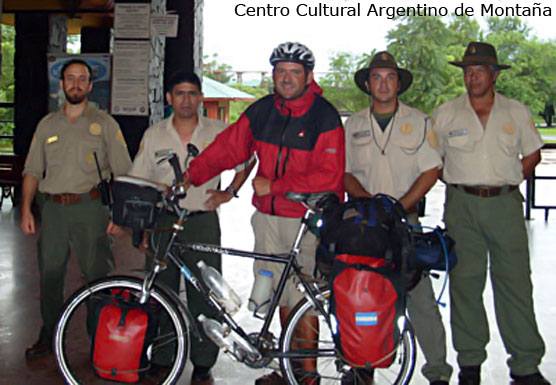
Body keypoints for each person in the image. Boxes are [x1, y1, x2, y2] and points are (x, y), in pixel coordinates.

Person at [186, 42, 345, 385]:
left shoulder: (324, 115)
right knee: (279, 295)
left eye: (294, 72)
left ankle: (310, 374)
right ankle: (291, 365)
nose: (286, 78)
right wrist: (192, 174)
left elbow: (329, 176)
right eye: (280, 71)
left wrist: (274, 186)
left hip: (304, 219)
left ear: (309, 77)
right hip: (267, 221)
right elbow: (228, 148)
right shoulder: (261, 111)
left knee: (304, 297)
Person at [432, 42, 551, 385]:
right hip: (462, 206)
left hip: (505, 205)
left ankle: (525, 365)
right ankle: (470, 364)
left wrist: (506, 180)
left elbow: (532, 155)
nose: (472, 77)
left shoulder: (516, 112)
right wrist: (461, 184)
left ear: (494, 74)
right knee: (465, 284)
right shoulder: (446, 114)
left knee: (514, 283)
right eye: (468, 71)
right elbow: (433, 161)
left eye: (479, 71)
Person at [128, 71, 254, 385]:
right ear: (169, 99)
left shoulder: (219, 131)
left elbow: (247, 158)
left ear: (200, 98)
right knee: (162, 290)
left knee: (205, 292)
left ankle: (202, 362)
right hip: (163, 220)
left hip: (202, 221)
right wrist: (140, 226)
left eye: (192, 93)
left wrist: (230, 191)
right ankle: (162, 358)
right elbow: (141, 180)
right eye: (180, 93)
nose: (187, 99)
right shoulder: (154, 134)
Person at [343, 51, 452, 385]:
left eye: (390, 77)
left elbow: (431, 169)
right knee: (363, 294)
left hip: (406, 223)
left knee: (418, 295)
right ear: (368, 84)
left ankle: (438, 373)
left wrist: (400, 206)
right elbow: (345, 172)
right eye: (377, 77)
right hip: (365, 225)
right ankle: (362, 366)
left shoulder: (420, 122)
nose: (383, 84)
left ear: (398, 84)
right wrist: (367, 204)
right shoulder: (354, 125)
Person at [20, 59, 132, 360]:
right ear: (61, 83)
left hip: (91, 208)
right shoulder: (47, 125)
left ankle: (100, 339)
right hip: (54, 210)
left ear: (90, 85)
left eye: (82, 79)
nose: (76, 84)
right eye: (70, 78)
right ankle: (49, 334)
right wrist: (27, 209)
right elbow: (32, 169)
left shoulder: (105, 124)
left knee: (97, 275)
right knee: (50, 275)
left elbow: (123, 172)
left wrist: (120, 215)